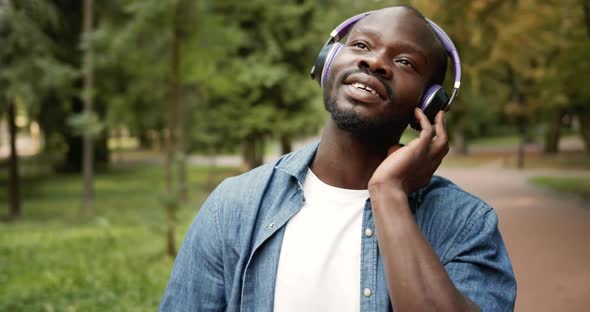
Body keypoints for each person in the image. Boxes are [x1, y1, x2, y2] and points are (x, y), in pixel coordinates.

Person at [159, 5, 516, 312]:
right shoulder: (234, 206)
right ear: (328, 61)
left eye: (405, 61)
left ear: (429, 104)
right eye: (361, 45)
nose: (375, 62)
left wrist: (389, 192)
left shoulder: (466, 225)